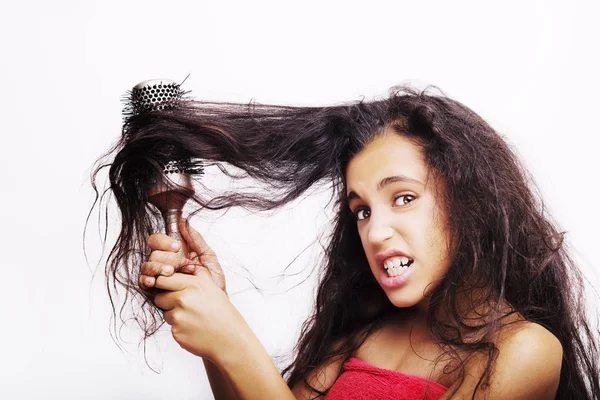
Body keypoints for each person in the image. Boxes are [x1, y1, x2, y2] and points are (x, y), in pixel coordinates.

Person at [96, 87, 599, 399]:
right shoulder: (370, 335)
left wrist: (233, 338)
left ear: (471, 202)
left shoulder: (523, 353)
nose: (375, 233)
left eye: (403, 197)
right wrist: (216, 333)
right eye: (361, 210)